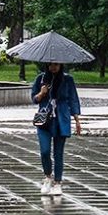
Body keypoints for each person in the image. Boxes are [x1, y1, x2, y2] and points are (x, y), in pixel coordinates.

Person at [31, 62, 81, 196]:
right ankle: (48, 177)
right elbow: (34, 99)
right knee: (45, 151)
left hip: (61, 119)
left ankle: (58, 183)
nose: (53, 67)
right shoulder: (40, 79)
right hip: (44, 120)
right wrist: (41, 94)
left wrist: (76, 120)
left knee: (58, 153)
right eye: (51, 65)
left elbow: (73, 99)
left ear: (61, 65)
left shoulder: (67, 79)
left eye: (56, 65)